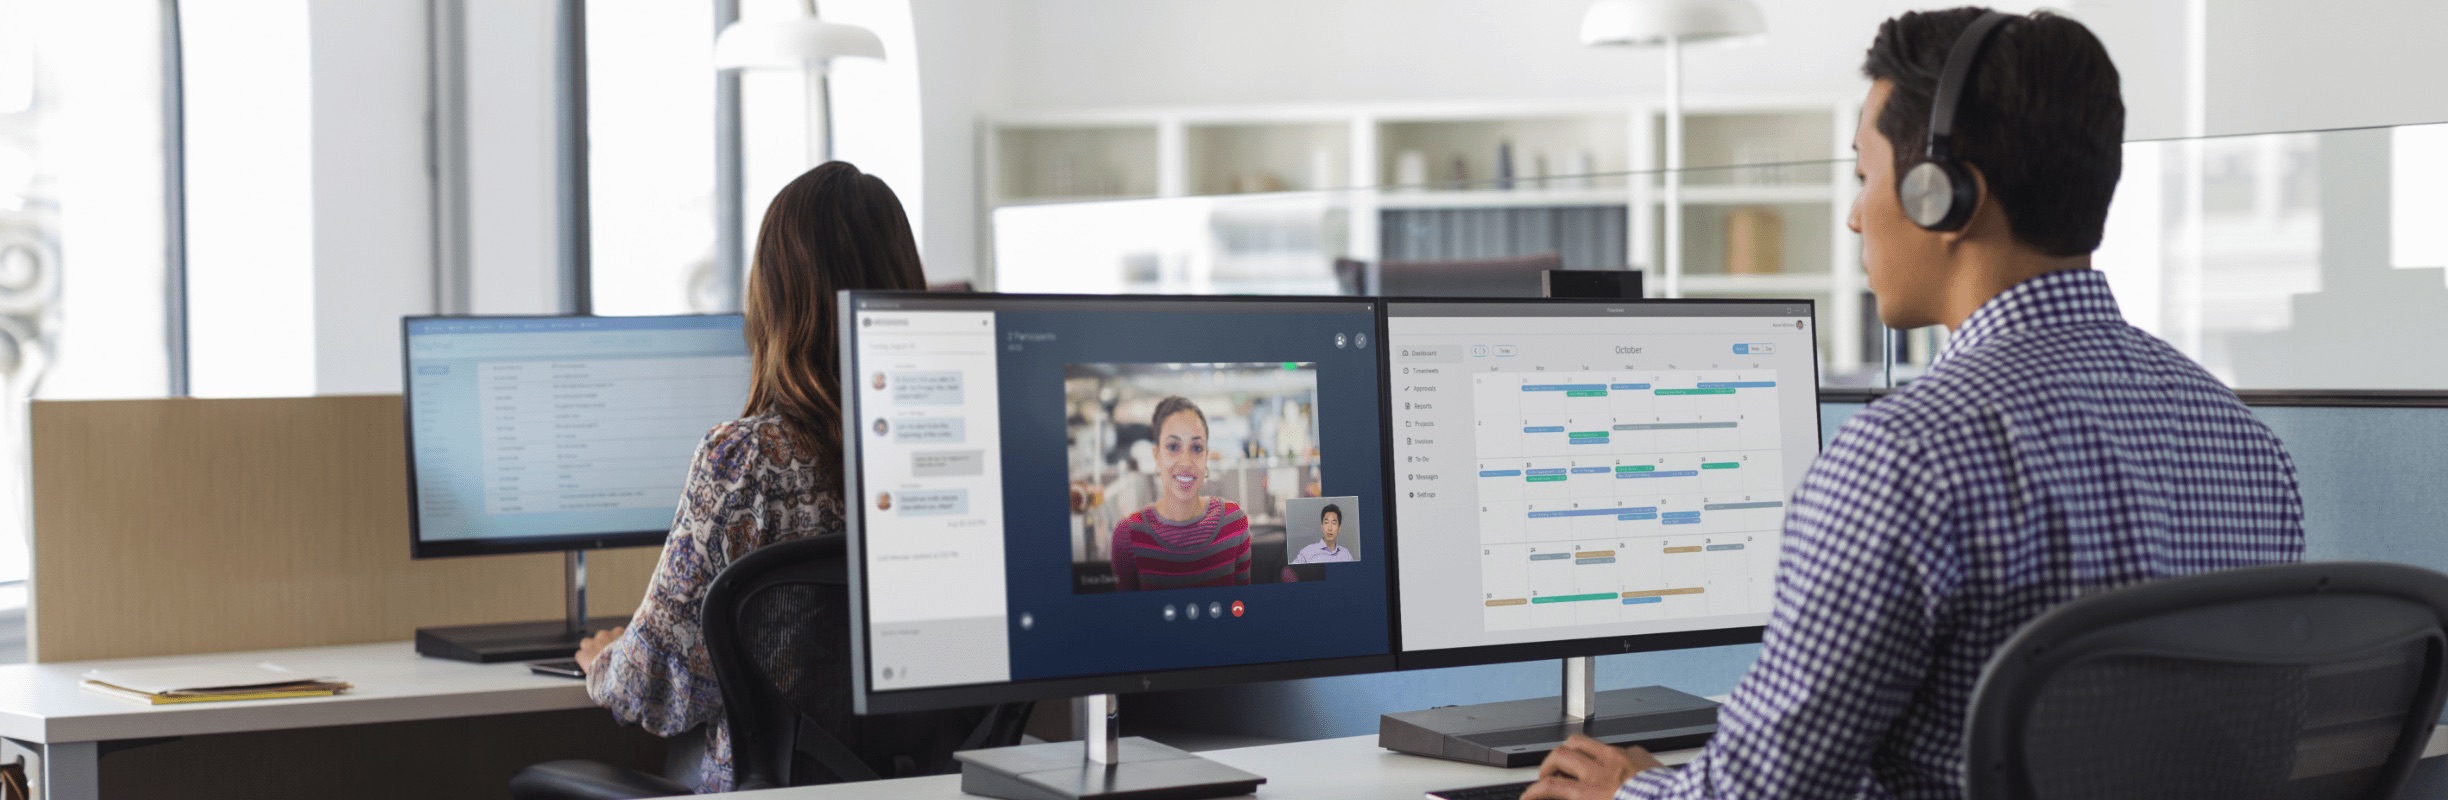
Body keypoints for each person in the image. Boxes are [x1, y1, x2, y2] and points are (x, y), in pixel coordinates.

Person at [1524, 9, 2305, 799]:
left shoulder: (1904, 459)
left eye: (1865, 174)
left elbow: (1768, 794)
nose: (1858, 214)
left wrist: (1626, 793)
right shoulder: (2244, 442)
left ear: (1944, 195)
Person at [571, 161, 927, 794]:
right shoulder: (949, 450)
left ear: (772, 294)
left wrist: (606, 661)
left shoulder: (746, 460)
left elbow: (653, 690)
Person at [1108, 396, 1252, 590]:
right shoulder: (1128, 535)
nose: (1185, 462)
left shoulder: (1234, 522)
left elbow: (1243, 607)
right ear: (1157, 456)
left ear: (1206, 457)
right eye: (1173, 447)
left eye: (1196, 448)